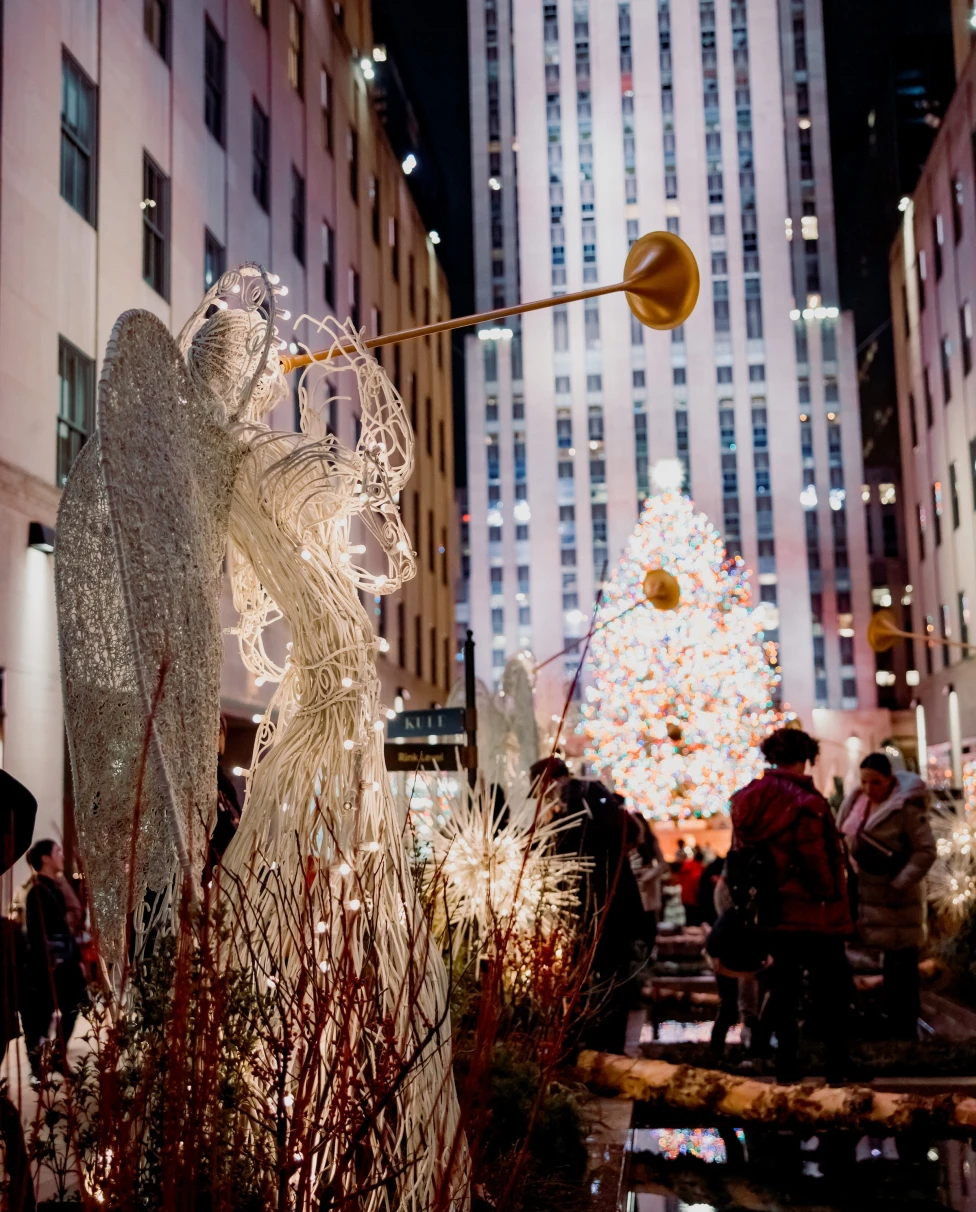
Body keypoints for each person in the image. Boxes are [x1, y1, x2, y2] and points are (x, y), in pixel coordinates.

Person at [730, 728, 852, 1084]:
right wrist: (830, 894)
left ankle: (786, 1068)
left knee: (783, 992)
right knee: (833, 991)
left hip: (773, 911)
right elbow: (815, 857)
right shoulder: (806, 802)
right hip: (813, 914)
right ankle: (837, 1068)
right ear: (804, 758)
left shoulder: (748, 799)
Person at [530, 757, 642, 1053]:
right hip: (606, 902)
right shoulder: (590, 798)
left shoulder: (579, 800)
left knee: (601, 972)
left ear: (548, 782)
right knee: (604, 973)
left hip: (601, 904)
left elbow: (573, 849)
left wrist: (552, 837)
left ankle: (600, 1043)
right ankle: (600, 1041)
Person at [836, 752, 936, 1039]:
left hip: (897, 903)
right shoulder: (856, 801)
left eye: (876, 782)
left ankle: (904, 1029)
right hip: (865, 895)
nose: (869, 788)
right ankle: (887, 1024)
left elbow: (925, 850)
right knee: (879, 963)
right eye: (865, 781)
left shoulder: (905, 808)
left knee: (901, 967)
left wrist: (901, 882)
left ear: (890, 779)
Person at [23, 839, 87, 1076]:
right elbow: (38, 934)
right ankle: (38, 1069)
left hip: (64, 962)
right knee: (40, 1019)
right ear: (45, 858)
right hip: (53, 966)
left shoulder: (53, 888)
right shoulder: (38, 892)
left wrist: (77, 958)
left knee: (75, 1005)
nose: (61, 855)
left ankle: (58, 1056)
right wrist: (48, 965)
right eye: (57, 851)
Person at [203, 715, 243, 886]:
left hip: (224, 879)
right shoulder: (199, 781)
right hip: (203, 879)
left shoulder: (224, 784)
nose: (216, 737)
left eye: (219, 732)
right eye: (211, 730)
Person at [630, 814, 667, 952]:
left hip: (649, 886)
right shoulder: (632, 842)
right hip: (637, 885)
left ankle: (650, 952)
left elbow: (662, 864)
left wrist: (650, 873)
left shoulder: (651, 841)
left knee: (650, 921)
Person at [673, 846, 704, 926]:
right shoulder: (699, 868)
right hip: (693, 897)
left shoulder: (686, 865)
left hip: (683, 895)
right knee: (694, 919)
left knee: (687, 917)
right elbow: (696, 884)